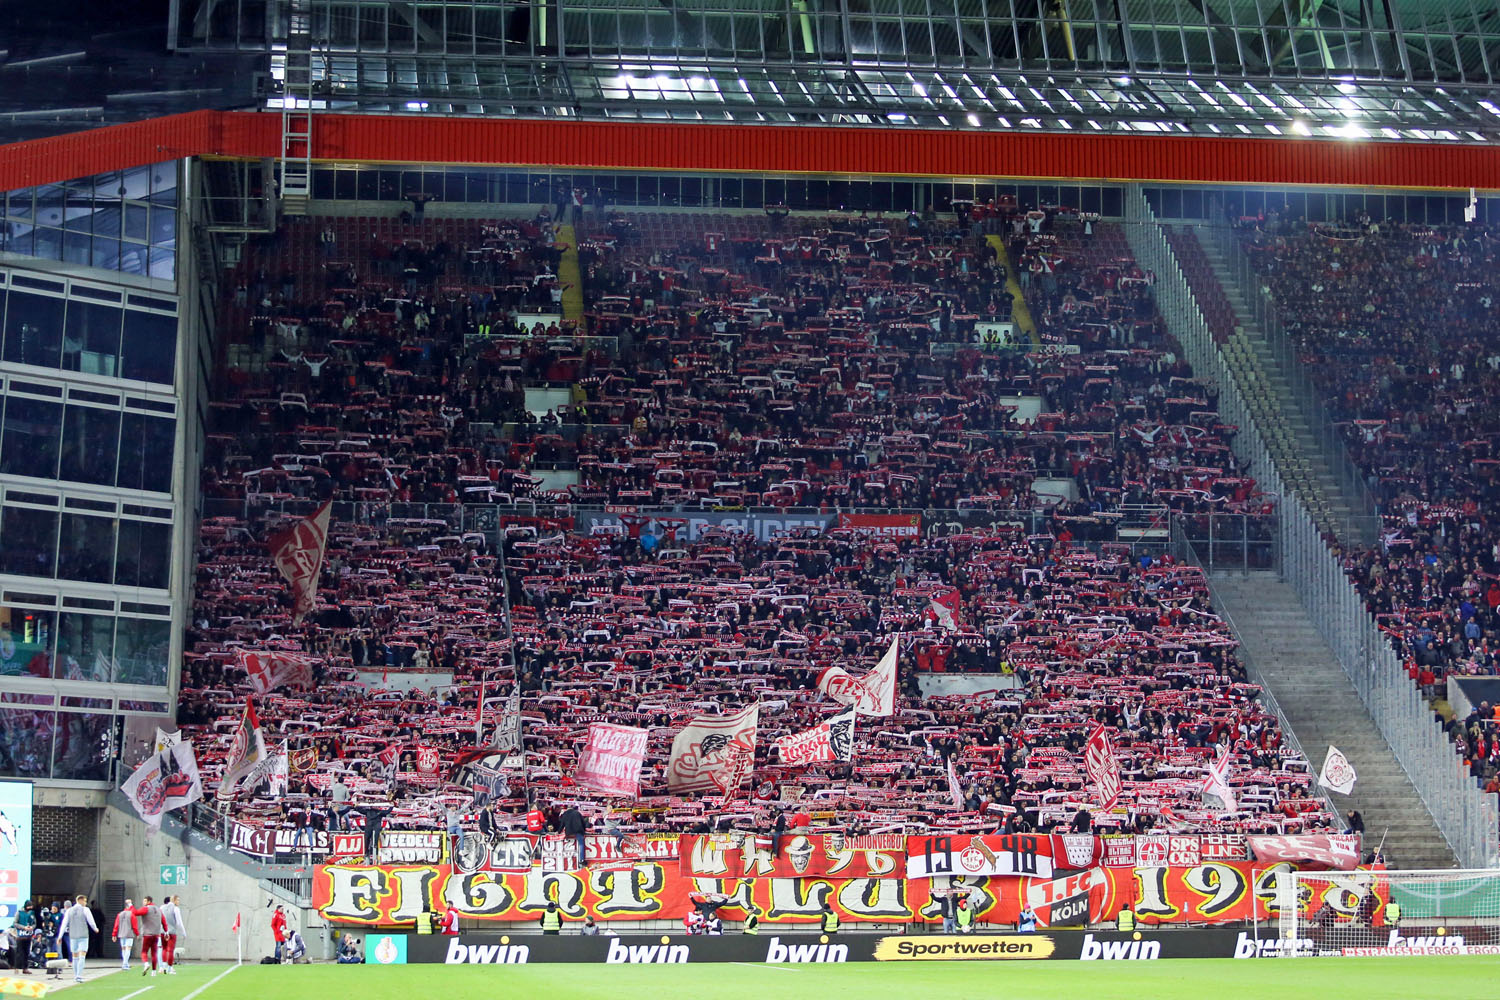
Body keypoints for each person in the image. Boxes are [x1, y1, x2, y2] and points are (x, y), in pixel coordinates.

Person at [56, 895, 98, 984]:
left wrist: (60, 936)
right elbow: (91, 921)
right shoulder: (85, 910)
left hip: (73, 935)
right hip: (83, 935)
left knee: (75, 956)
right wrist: (95, 928)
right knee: (82, 955)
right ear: (80, 900)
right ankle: (79, 975)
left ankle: (75, 975)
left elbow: (64, 924)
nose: (86, 903)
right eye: (85, 901)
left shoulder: (69, 911)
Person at [132, 896, 167, 976]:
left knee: (144, 952)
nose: (143, 903)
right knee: (154, 953)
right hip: (156, 934)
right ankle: (154, 972)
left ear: (148, 901)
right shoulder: (159, 909)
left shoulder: (146, 908)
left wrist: (131, 906)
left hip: (147, 934)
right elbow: (164, 921)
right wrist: (166, 931)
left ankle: (146, 963)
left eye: (144, 901)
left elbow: (135, 913)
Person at [161, 894, 186, 974]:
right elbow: (179, 922)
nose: (178, 902)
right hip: (172, 931)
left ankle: (163, 966)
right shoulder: (176, 909)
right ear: (174, 900)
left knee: (164, 949)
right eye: (177, 900)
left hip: (163, 931)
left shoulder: (161, 907)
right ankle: (170, 967)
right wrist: (183, 932)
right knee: (170, 950)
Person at [112, 898, 138, 971]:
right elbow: (134, 926)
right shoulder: (131, 914)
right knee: (128, 948)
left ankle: (125, 963)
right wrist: (137, 934)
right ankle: (125, 963)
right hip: (129, 933)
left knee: (123, 949)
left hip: (121, 933)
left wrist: (114, 934)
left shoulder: (119, 914)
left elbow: (116, 925)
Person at [13, 901, 35, 974]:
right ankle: (16, 967)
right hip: (20, 936)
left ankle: (25, 968)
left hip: (28, 936)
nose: (30, 908)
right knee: (19, 952)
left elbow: (34, 923)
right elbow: (15, 923)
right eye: (29, 907)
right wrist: (23, 927)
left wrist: (32, 927)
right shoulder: (19, 912)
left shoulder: (32, 913)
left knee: (26, 952)